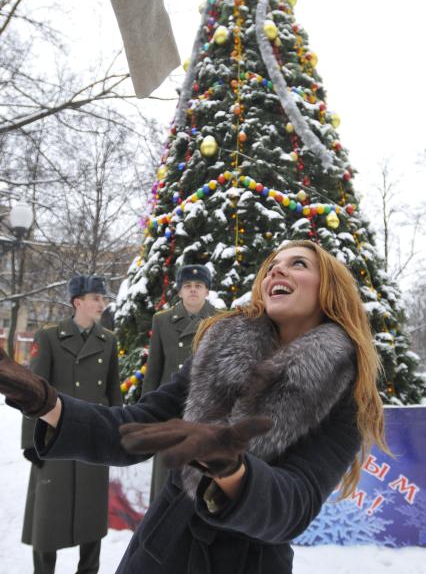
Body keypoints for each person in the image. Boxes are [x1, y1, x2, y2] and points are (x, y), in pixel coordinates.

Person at [0, 241, 389, 574]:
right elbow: (132, 427)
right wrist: (43, 401)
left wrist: (233, 469)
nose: (276, 271)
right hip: (159, 551)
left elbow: (296, 502)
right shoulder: (218, 350)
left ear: (329, 289)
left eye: (298, 264)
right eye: (271, 266)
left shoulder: (349, 394)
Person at [20, 274, 122, 574]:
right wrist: (30, 442)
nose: (102, 303)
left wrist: (117, 434)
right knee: (48, 515)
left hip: (95, 436)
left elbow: (113, 393)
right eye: (96, 298)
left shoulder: (108, 340)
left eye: (102, 298)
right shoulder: (49, 337)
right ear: (78, 302)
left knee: (92, 515)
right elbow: (33, 393)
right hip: (53, 437)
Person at [142, 263, 218, 500]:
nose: (193, 290)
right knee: (165, 480)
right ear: (179, 290)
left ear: (207, 290)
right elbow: (154, 370)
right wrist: (147, 413)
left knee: (201, 478)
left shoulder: (219, 320)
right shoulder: (162, 320)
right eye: (187, 286)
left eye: (198, 286)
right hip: (170, 411)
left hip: (206, 412)